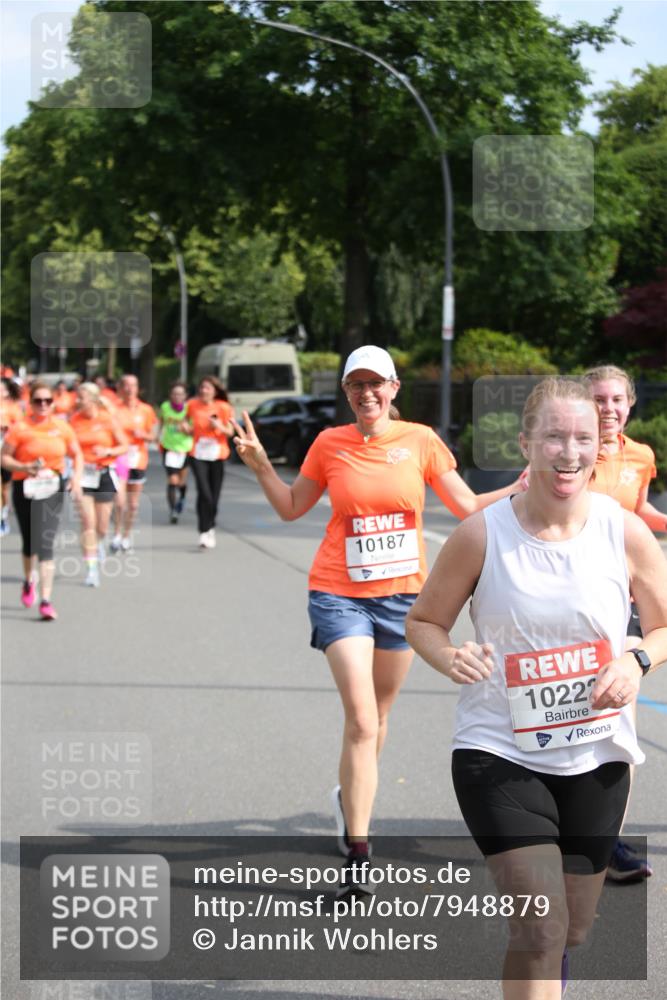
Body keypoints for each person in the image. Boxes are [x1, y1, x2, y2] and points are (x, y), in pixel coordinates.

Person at [232, 345, 527, 897]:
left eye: (376, 384)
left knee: (380, 718)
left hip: (403, 601)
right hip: (338, 593)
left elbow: (466, 507)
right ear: (346, 393)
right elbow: (292, 507)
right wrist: (260, 464)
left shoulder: (420, 441)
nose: (366, 394)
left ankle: (350, 796)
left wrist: (519, 488)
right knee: (363, 720)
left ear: (393, 389)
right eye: (355, 386)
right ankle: (360, 852)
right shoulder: (328, 444)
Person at [406, 377, 667, 997]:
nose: (568, 452)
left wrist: (636, 660)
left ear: (600, 448)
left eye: (582, 438)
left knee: (573, 931)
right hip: (498, 752)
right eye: (554, 436)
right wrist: (449, 657)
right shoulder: (483, 533)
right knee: (541, 930)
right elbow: (424, 621)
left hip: (597, 755)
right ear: (526, 444)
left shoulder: (623, 531)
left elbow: (663, 627)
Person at [583, 364, 666, 883]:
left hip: (627, 600)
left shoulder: (641, 457)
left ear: (630, 405)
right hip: (575, 600)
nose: (608, 409)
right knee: (577, 711)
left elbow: (638, 513)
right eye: (598, 399)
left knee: (619, 712)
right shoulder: (570, 450)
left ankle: (606, 838)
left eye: (617, 400)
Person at [1, 380, 84, 620]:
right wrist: (25, 466)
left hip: (52, 488)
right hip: (25, 487)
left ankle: (46, 600)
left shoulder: (62, 427)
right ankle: (29, 581)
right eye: (39, 401)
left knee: (45, 541)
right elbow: (4, 458)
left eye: (48, 401)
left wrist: (75, 479)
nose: (44, 405)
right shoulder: (20, 428)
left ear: (53, 403)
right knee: (29, 541)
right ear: (31, 403)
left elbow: (76, 453)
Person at [70, 382, 128, 586]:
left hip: (104, 474)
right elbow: (68, 448)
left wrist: (108, 452)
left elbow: (124, 446)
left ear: (93, 400)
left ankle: (100, 542)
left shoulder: (107, 420)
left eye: (82, 397)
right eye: (77, 397)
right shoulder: (74, 421)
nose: (77, 400)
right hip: (82, 475)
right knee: (88, 524)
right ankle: (91, 569)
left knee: (102, 526)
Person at [184, 376, 234, 548]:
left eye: (208, 388)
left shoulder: (223, 407)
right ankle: (204, 530)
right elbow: (184, 421)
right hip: (198, 453)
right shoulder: (192, 404)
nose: (204, 391)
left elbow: (230, 432)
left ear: (214, 391)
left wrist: (218, 426)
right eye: (202, 387)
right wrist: (185, 428)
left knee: (214, 495)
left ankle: (210, 525)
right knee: (204, 492)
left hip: (217, 454)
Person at [110, 374, 157, 553]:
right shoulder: (114, 409)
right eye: (126, 386)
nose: (130, 389)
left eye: (134, 385)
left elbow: (153, 436)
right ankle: (116, 533)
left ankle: (126, 536)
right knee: (120, 502)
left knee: (134, 504)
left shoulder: (146, 410)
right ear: (121, 389)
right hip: (119, 459)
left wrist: (143, 435)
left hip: (138, 459)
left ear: (138, 388)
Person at [158, 380, 193, 524]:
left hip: (185, 448)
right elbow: (161, 422)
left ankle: (182, 498)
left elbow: (194, 429)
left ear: (185, 396)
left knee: (181, 482)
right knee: (173, 480)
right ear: (170, 395)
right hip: (169, 448)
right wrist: (157, 436)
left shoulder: (190, 408)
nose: (177, 396)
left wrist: (187, 429)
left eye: (180, 394)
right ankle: (173, 511)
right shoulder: (165, 407)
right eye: (174, 394)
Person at [1, 378, 23, 536]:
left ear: (7, 391)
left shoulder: (13, 408)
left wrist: (7, 428)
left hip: (7, 450)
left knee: (5, 488)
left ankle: (3, 515)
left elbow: (20, 428)